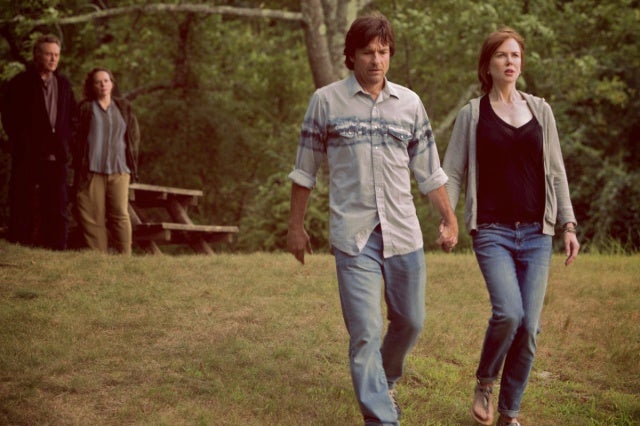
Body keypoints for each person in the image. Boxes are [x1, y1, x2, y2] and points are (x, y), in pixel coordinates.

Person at [287, 13, 458, 425]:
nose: (376, 60)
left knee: (411, 322)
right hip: (354, 236)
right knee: (364, 331)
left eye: (383, 52)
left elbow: (430, 171)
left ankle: (386, 379)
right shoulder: (326, 102)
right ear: (352, 55)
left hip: (403, 233)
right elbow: (304, 171)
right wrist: (295, 226)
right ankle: (381, 418)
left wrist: (449, 219)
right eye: (367, 52)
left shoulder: (410, 104)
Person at [442, 27, 580, 426]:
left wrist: (568, 224)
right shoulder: (472, 114)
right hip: (492, 231)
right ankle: (486, 381)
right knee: (508, 313)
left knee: (530, 327)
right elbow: (452, 173)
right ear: (487, 65)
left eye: (515, 55)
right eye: (501, 55)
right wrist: (449, 219)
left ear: (521, 63)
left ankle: (509, 414)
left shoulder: (541, 111)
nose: (509, 61)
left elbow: (556, 172)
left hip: (537, 233)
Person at [0, 34, 76, 250]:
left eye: (56, 55)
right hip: (27, 154)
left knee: (57, 203)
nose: (53, 59)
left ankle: (57, 247)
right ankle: (19, 243)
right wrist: (20, 142)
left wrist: (66, 139)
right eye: (49, 54)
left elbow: (72, 117)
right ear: (36, 55)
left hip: (57, 155)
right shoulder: (19, 83)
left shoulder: (63, 84)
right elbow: (8, 117)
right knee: (21, 199)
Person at [72, 67, 139, 254]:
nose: (103, 85)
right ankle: (99, 258)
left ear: (112, 83)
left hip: (119, 170)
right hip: (92, 171)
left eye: (106, 81)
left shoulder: (124, 107)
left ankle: (125, 257)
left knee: (120, 215)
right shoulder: (85, 108)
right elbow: (75, 138)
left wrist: (132, 164)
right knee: (93, 216)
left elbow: (134, 137)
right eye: (98, 82)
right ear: (92, 86)